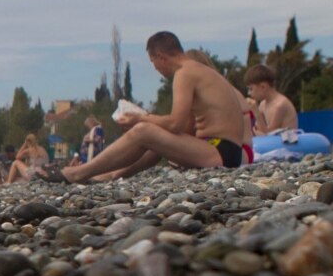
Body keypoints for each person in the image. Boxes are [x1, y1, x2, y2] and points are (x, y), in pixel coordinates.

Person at [48, 31, 249, 183]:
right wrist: (154, 123)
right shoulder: (199, 71)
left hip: (219, 151)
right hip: (224, 150)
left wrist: (140, 118)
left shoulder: (185, 74)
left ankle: (78, 173)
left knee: (144, 130)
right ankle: (112, 175)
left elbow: (176, 124)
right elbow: (185, 127)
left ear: (161, 56)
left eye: (154, 63)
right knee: (154, 135)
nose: (156, 69)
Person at [245, 64, 299, 135]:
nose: (249, 93)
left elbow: (268, 135)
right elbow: (258, 129)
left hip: (287, 144)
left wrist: (256, 112)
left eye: (251, 89)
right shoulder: (263, 104)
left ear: (263, 87)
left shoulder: (279, 105)